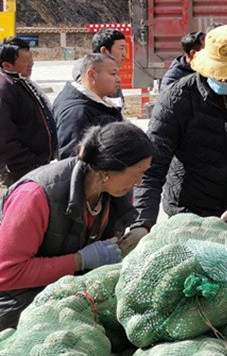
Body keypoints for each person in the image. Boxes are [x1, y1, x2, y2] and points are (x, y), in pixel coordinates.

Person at [126, 24, 227, 253]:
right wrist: (142, 223)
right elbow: (152, 166)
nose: (224, 80)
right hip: (186, 213)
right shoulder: (177, 98)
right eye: (219, 73)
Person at [0, 122, 153, 329]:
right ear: (107, 170)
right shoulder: (35, 196)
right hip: (20, 306)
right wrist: (79, 261)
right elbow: (7, 273)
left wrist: (135, 233)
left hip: (69, 296)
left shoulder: (112, 192)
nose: (139, 182)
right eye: (136, 173)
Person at [0, 38, 57, 190]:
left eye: (31, 58)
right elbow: (4, 138)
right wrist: (28, 162)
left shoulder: (20, 81)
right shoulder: (4, 89)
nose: (32, 63)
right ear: (7, 65)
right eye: (25, 60)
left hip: (35, 166)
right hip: (20, 170)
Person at [54, 54, 123, 160]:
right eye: (113, 74)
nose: (118, 79)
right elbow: (72, 161)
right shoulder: (77, 112)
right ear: (91, 75)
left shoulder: (97, 102)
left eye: (118, 74)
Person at [72, 28, 128, 107]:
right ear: (104, 51)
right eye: (121, 48)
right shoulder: (86, 67)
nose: (124, 54)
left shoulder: (108, 68)